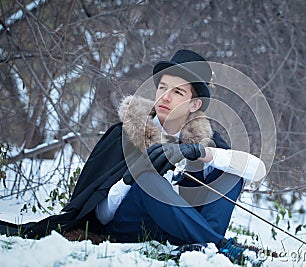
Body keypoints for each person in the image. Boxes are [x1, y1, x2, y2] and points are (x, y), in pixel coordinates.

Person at [4, 49, 266, 265]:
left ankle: (202, 246)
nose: (165, 96)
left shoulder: (204, 139)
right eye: (163, 87)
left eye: (178, 92)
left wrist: (199, 152)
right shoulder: (124, 134)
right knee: (146, 180)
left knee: (230, 169)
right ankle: (219, 247)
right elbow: (101, 216)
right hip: (129, 225)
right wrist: (131, 178)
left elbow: (257, 170)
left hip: (181, 230)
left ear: (194, 105)